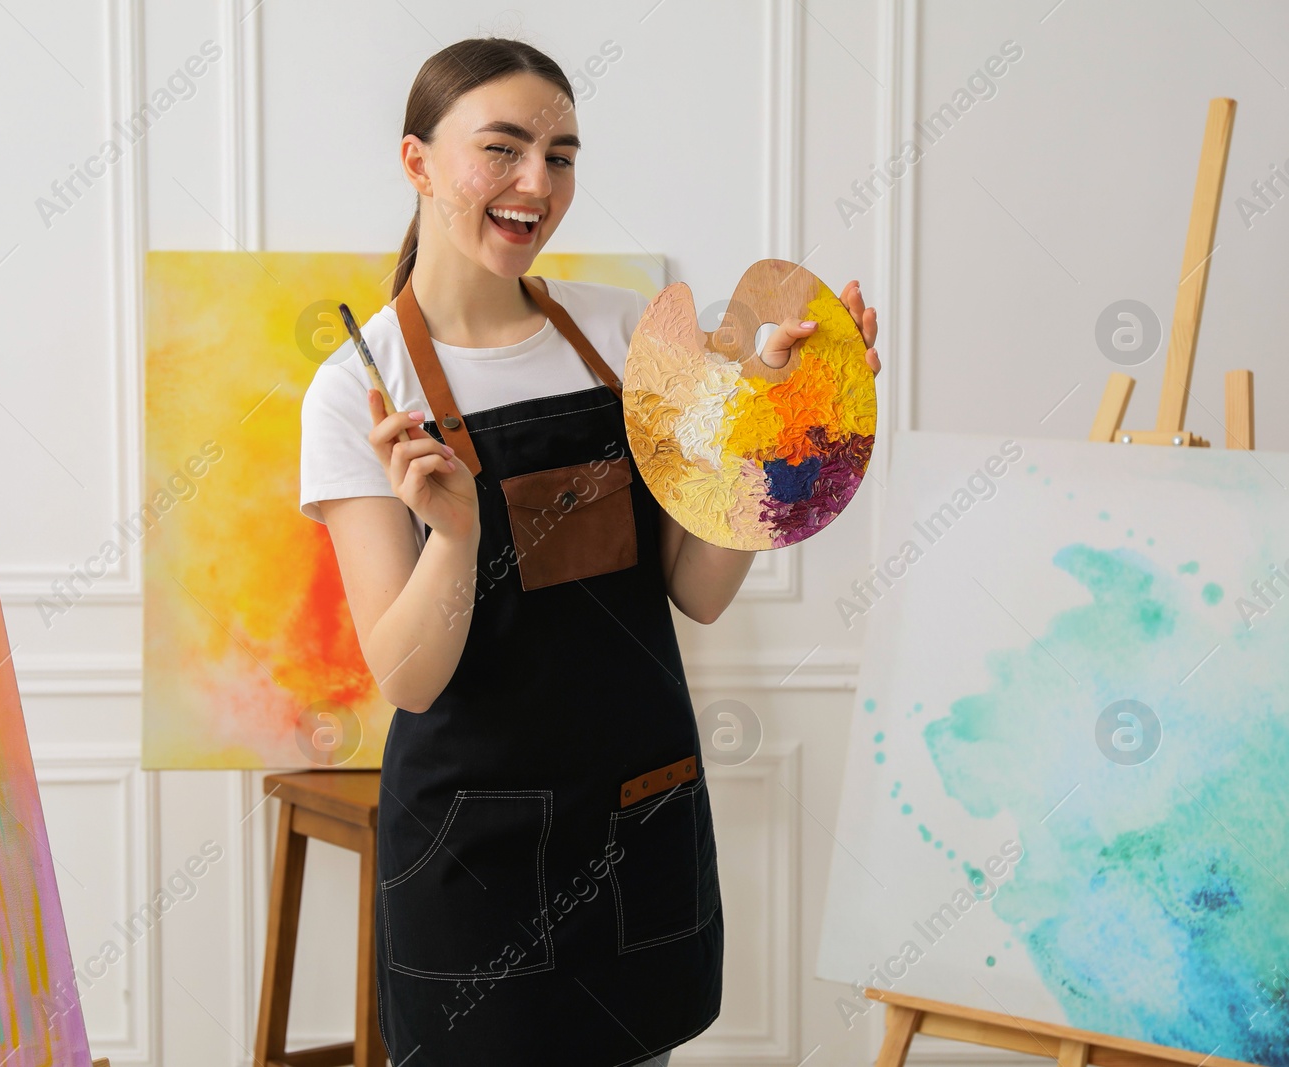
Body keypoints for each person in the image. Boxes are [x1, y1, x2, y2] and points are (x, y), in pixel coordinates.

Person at [298, 36, 881, 1067]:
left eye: (561, 154)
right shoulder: (362, 387)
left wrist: (770, 433)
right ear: (416, 161)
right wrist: (458, 536)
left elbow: (694, 588)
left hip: (636, 814)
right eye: (503, 147)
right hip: (472, 859)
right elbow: (408, 675)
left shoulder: (627, 339)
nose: (537, 182)